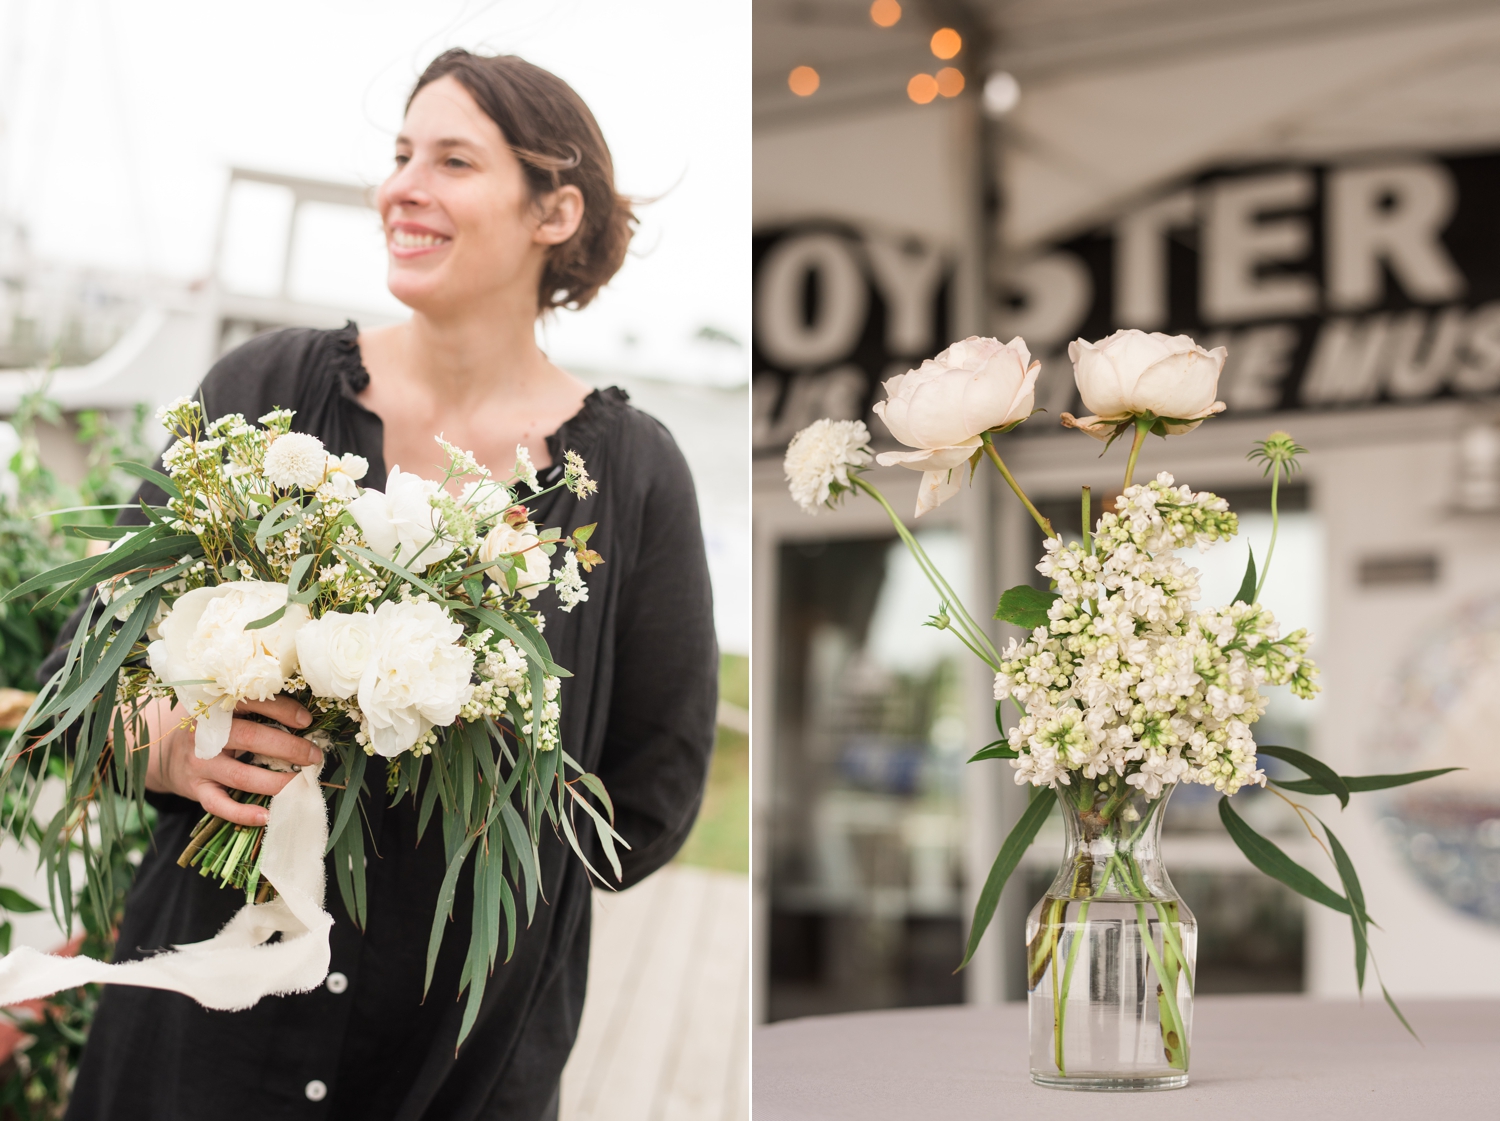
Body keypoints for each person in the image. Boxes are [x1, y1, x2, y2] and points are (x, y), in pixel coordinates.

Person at [45, 49, 718, 1121]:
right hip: (201, 1032)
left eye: (453, 160)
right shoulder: (261, 390)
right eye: (401, 154)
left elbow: (654, 797)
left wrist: (460, 751)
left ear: (555, 211)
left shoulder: (632, 475)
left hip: (456, 1058)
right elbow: (75, 679)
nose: (401, 186)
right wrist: (174, 740)